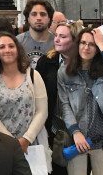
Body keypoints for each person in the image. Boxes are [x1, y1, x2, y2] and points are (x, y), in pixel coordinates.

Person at [57, 27, 103, 175]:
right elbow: (64, 104)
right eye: (83, 43)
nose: (86, 47)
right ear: (77, 45)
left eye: (92, 44)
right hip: (78, 136)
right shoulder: (65, 71)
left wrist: (102, 44)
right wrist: (75, 132)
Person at [0, 32, 50, 167]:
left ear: (17, 49)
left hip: (33, 143)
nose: (7, 50)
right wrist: (12, 143)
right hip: (3, 145)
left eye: (11, 46)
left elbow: (42, 111)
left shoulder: (33, 76)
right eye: (2, 47)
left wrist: (26, 139)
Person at [35, 22, 75, 175]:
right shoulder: (46, 62)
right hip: (53, 126)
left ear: (74, 41)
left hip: (80, 127)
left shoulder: (84, 64)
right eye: (56, 35)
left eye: (62, 36)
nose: (56, 39)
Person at [16, 0, 55, 69]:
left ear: (49, 18)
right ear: (28, 18)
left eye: (43, 14)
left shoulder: (57, 43)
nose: (39, 18)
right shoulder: (18, 42)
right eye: (34, 14)